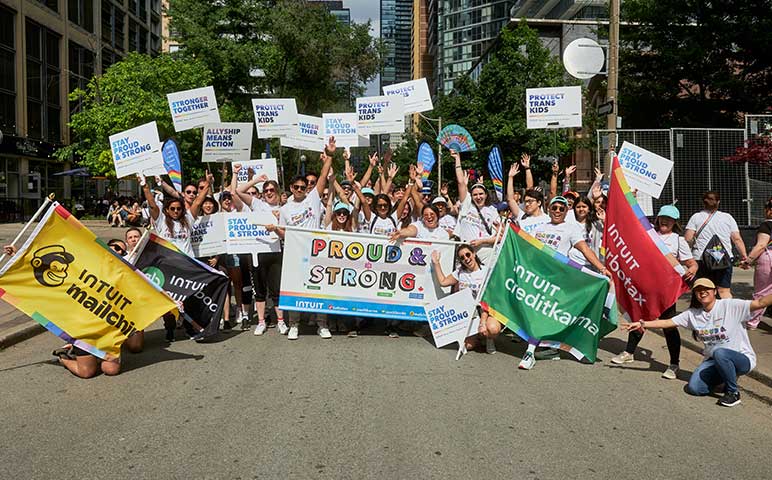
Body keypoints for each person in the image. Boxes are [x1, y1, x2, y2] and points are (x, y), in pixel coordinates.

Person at [621, 278, 765, 407]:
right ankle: (724, 378)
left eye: (706, 289)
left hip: (741, 358)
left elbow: (760, 302)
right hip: (713, 360)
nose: (702, 292)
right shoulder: (693, 314)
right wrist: (642, 324)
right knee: (695, 388)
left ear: (714, 291)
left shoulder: (730, 306)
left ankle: (733, 393)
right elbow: (667, 322)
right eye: (698, 290)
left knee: (720, 353)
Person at [518, 196, 610, 370]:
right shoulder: (540, 227)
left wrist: (601, 268)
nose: (558, 211)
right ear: (549, 209)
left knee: (546, 313)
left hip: (557, 280)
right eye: (555, 208)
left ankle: (532, 350)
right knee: (537, 313)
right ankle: (543, 347)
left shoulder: (571, 228)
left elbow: (584, 248)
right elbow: (529, 249)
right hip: (537, 277)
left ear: (566, 211)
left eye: (562, 208)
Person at [611, 205, 698, 379]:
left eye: (669, 219)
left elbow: (691, 263)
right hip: (644, 288)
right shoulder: (648, 234)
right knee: (639, 317)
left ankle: (674, 364)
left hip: (665, 292)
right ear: (657, 218)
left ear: (675, 222)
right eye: (662, 217)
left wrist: (693, 268)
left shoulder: (678, 240)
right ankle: (629, 353)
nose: (665, 221)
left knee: (669, 325)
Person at [266, 137, 334, 340]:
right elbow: (285, 233)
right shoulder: (285, 209)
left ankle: (322, 324)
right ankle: (294, 324)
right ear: (291, 188)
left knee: (319, 289)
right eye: (295, 187)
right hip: (295, 254)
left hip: (316, 251)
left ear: (307, 189)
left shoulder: (313, 198)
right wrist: (276, 230)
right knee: (295, 288)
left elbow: (323, 176)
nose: (299, 190)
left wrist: (330, 155)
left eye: (302, 187)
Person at [431, 245, 499, 354]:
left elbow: (488, 299)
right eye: (462, 257)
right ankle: (479, 337)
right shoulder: (460, 272)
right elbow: (443, 282)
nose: (466, 258)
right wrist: (436, 263)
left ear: (474, 254)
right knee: (468, 345)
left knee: (493, 329)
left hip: (486, 310)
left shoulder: (487, 272)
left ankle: (489, 338)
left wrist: (482, 322)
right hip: (469, 313)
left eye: (468, 254)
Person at [684, 190, 748, 299]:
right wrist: (744, 257)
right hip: (723, 258)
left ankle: (704, 314)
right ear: (718, 202)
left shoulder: (696, 217)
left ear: (703, 202)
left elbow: (688, 239)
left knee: (702, 290)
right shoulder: (727, 217)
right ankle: (727, 314)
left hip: (701, 258)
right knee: (723, 291)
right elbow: (737, 239)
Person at [452, 149, 499, 263]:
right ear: (471, 196)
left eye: (481, 194)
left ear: (486, 194)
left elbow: (498, 238)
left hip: (486, 254)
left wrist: (482, 241)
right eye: (475, 195)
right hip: (465, 254)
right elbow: (461, 183)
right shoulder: (467, 203)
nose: (478, 197)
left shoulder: (492, 210)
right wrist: (457, 160)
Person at [141, 175, 206, 257]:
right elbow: (153, 205)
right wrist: (145, 187)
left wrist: (208, 183)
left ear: (182, 210)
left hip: (187, 261)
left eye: (178, 209)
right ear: (167, 210)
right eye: (172, 209)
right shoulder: (161, 220)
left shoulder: (188, 219)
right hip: (168, 261)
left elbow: (198, 202)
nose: (176, 211)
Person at [741, 199, 772, 329]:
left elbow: (761, 245)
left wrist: (748, 260)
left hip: (768, 258)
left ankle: (752, 322)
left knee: (762, 292)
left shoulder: (767, 225)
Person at [506, 160, 549, 234]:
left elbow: (530, 188)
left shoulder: (548, 219)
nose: (527, 204)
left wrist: (527, 168)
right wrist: (510, 177)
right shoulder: (522, 217)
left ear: (539, 203)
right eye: (526, 202)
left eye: (530, 201)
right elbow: (510, 199)